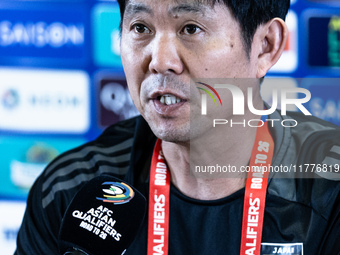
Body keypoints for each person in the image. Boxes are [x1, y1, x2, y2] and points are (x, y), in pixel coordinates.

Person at [15, 0, 340, 254]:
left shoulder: (331, 187)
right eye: (141, 27)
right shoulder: (69, 189)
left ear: (265, 46)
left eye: (190, 28)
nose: (160, 60)